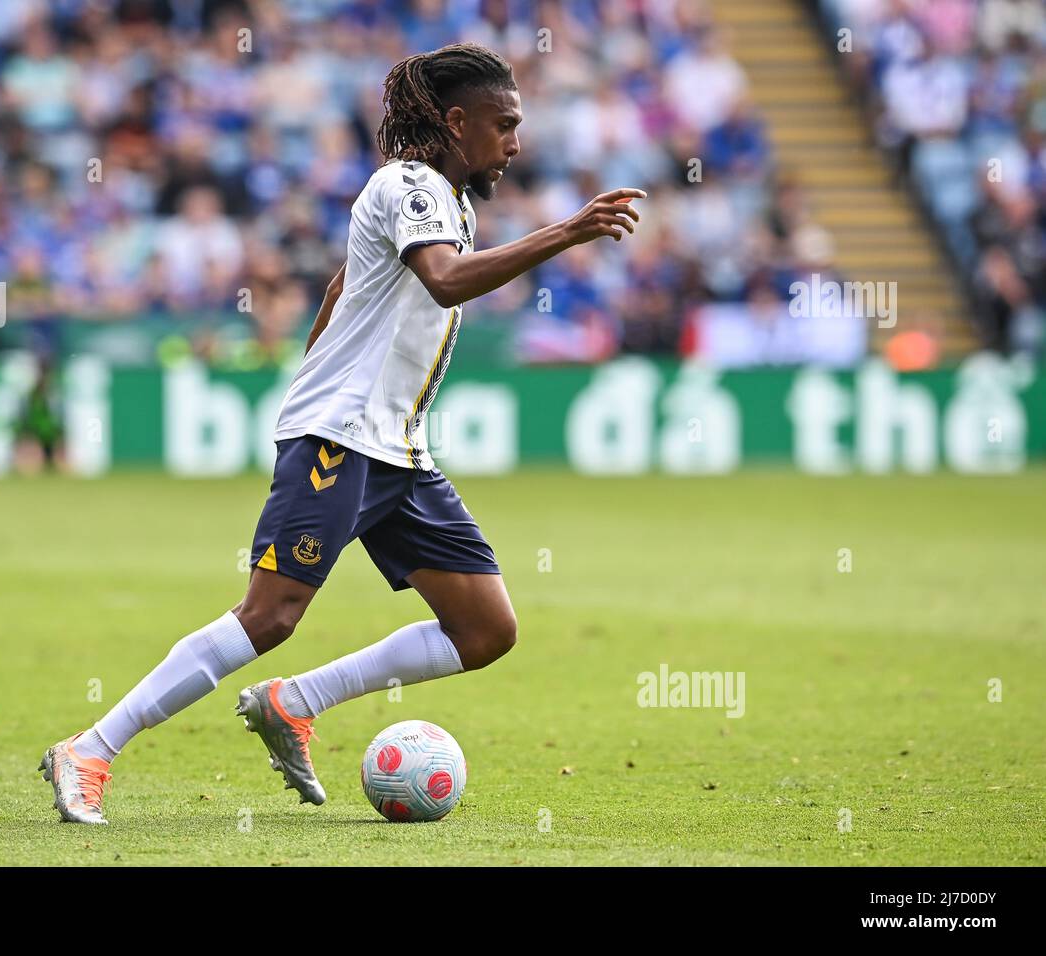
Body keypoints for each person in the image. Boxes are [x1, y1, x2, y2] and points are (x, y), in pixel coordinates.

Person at [40, 42, 645, 824]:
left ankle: (296, 702)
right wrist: (568, 232)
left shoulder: (445, 200)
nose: (515, 143)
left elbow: (341, 285)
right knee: (269, 615)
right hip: (342, 437)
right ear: (457, 124)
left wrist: (316, 369)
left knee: (486, 627)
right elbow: (446, 278)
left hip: (395, 447)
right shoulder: (410, 185)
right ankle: (88, 750)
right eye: (504, 124)